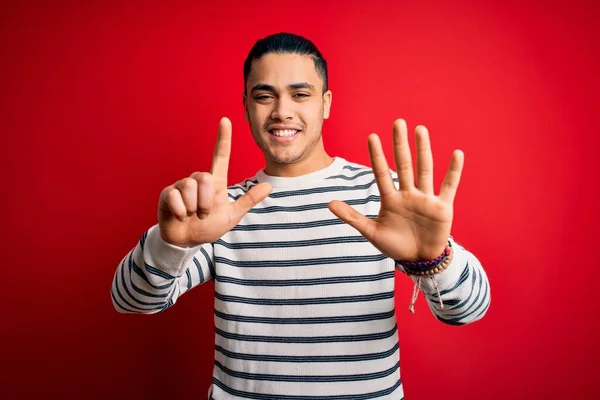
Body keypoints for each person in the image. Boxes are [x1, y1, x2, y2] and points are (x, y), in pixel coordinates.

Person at [111, 32, 491, 399]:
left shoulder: (384, 195)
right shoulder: (219, 212)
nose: (282, 111)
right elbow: (131, 301)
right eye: (265, 95)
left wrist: (432, 260)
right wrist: (170, 243)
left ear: (325, 103)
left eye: (300, 94)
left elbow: (470, 310)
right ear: (246, 105)